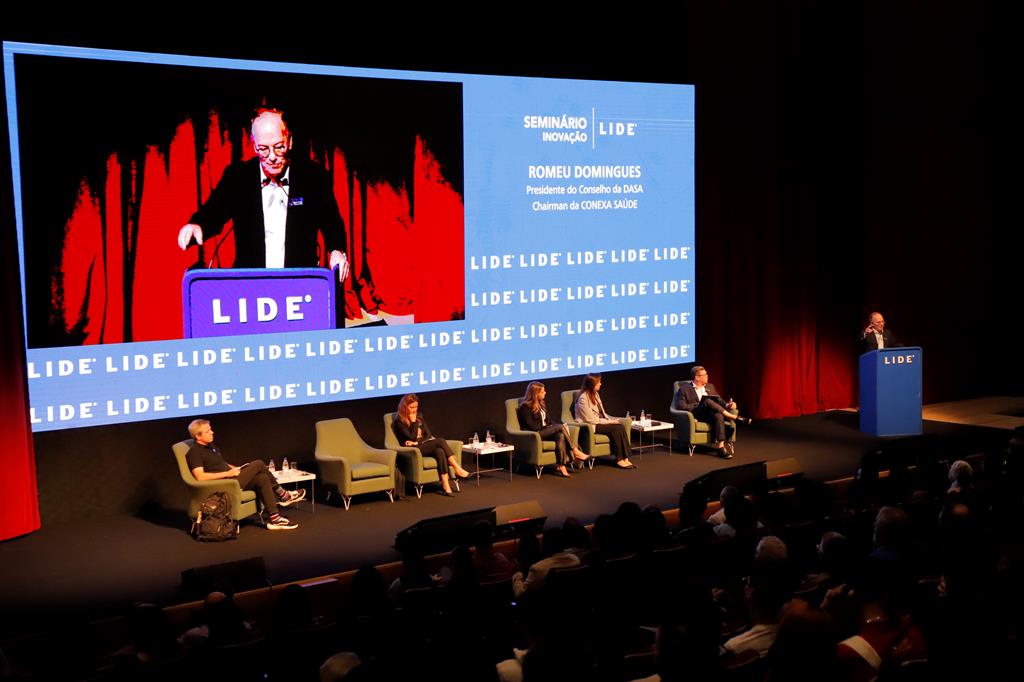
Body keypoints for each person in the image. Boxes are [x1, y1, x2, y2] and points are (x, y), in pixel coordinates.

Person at [177, 108, 350, 283]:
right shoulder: (237, 177)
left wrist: (337, 250)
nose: (272, 157)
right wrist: (197, 225)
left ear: (289, 141)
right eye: (264, 149)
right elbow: (214, 211)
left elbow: (332, 222)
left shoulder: (313, 177)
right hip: (251, 285)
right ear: (254, 146)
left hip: (299, 283)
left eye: (279, 147)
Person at [185, 419, 303, 530]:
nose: (212, 432)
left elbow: (221, 463)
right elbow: (200, 477)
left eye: (210, 429)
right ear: (198, 436)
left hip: (231, 479)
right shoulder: (194, 452)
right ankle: (283, 495)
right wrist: (228, 473)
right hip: (223, 485)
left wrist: (235, 468)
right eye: (208, 431)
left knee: (262, 478)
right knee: (258, 463)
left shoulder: (211, 447)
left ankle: (275, 518)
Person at [392, 393, 469, 497]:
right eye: (411, 407)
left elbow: (428, 435)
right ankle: (456, 468)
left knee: (440, 451)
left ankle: (446, 485)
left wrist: (418, 442)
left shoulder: (419, 417)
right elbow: (411, 437)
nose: (414, 410)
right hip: (411, 450)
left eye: (416, 407)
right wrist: (413, 422)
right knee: (440, 441)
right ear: (404, 407)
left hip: (420, 445)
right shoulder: (399, 421)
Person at [672, 366, 749, 459]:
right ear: (697, 377)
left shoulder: (710, 386)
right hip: (695, 415)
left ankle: (721, 448)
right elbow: (681, 406)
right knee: (706, 401)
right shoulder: (684, 389)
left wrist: (728, 405)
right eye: (705, 375)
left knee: (718, 415)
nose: (707, 376)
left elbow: (719, 400)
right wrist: (700, 404)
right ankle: (735, 418)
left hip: (709, 414)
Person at [518, 381, 589, 477]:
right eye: (543, 392)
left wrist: (554, 427)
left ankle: (561, 465)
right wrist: (553, 428)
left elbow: (550, 421)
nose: (545, 393)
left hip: (544, 432)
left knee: (560, 435)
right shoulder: (525, 407)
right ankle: (575, 450)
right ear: (535, 394)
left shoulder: (541, 404)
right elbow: (531, 425)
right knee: (560, 427)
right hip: (535, 434)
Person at [574, 373, 635, 469]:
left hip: (598, 422)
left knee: (620, 426)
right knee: (615, 429)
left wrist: (611, 419)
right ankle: (619, 459)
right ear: (592, 384)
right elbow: (591, 419)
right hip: (590, 426)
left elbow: (602, 412)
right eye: (599, 382)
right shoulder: (583, 398)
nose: (600, 384)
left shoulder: (595, 394)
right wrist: (609, 422)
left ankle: (625, 457)